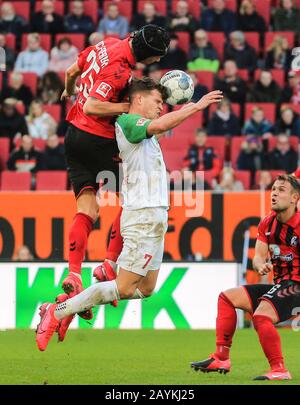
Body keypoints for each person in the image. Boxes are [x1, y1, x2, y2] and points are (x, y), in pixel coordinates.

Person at [35, 78, 223, 351]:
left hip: (157, 216)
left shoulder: (144, 130)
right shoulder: (126, 123)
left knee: (147, 289)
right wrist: (195, 108)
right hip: (142, 215)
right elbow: (159, 125)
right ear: (138, 100)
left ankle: (73, 304)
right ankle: (57, 311)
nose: (161, 107)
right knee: (123, 288)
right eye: (157, 102)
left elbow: (158, 127)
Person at [57, 25, 171, 339]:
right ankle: (108, 263)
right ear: (149, 55)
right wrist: (129, 108)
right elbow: (95, 106)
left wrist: (69, 91)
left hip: (73, 137)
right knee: (137, 195)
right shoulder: (120, 72)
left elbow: (71, 71)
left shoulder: (105, 44)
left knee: (86, 209)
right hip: (99, 140)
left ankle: (74, 273)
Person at [191, 174, 300, 380]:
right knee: (227, 297)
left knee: (261, 316)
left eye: (281, 190)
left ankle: (279, 369)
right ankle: (221, 357)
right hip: (281, 285)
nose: (274, 193)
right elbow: (258, 256)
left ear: (295, 198)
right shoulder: (268, 223)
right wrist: (260, 266)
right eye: (273, 189)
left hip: (297, 285)